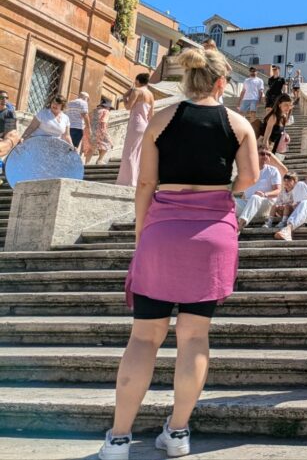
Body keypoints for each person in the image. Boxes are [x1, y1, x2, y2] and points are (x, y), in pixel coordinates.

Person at [98, 46, 258, 460]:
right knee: (194, 337)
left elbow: (145, 184)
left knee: (143, 337)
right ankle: (178, 431)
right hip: (213, 233)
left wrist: (142, 232)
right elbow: (250, 177)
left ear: (187, 80)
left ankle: (118, 438)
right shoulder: (239, 124)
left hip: (163, 230)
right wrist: (222, 189)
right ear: (222, 82)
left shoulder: (161, 120)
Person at [116, 73, 155, 187]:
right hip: (145, 126)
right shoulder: (151, 94)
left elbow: (128, 107)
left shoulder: (137, 91)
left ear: (137, 81)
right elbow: (151, 115)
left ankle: (128, 181)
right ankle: (134, 181)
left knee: (129, 153)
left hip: (136, 124)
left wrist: (125, 97)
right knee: (138, 154)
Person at [235, 143, 283, 229]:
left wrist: (264, 194)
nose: (265, 156)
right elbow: (245, 193)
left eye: (268, 154)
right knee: (230, 200)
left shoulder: (273, 170)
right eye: (262, 154)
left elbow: (278, 191)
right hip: (248, 204)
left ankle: (240, 225)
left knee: (255, 197)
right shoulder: (248, 171)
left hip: (265, 204)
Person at [86, 97, 114, 164]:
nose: (109, 109)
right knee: (108, 144)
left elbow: (88, 120)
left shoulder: (94, 111)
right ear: (107, 106)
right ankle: (100, 160)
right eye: (109, 108)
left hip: (91, 131)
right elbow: (103, 123)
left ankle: (86, 163)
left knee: (91, 147)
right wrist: (107, 136)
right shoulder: (105, 111)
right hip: (100, 131)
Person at [0, 90, 20, 156]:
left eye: (6, 98)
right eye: (2, 97)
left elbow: (10, 131)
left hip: (3, 141)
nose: (4, 99)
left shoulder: (9, 113)